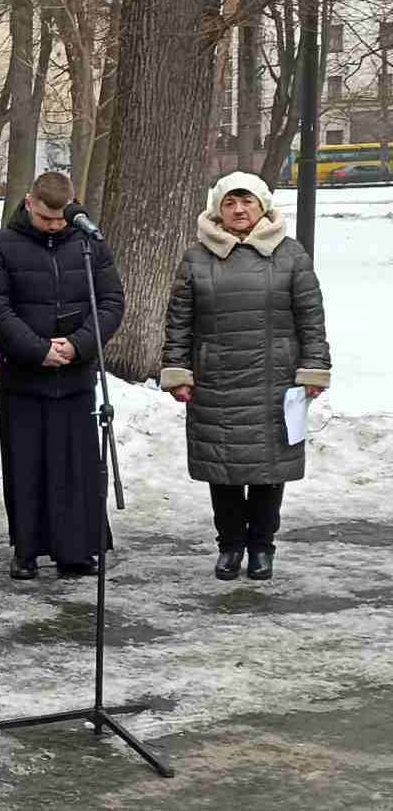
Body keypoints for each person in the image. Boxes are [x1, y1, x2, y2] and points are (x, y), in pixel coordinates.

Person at [160, 172, 330, 581]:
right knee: (223, 468)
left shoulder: (290, 255)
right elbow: (179, 321)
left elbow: (311, 316)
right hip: (215, 379)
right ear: (218, 209)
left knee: (269, 469)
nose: (239, 210)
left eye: (247, 202)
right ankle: (230, 545)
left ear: (263, 207)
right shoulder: (196, 257)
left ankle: (262, 547)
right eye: (230, 203)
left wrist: (315, 369)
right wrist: (178, 370)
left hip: (275, 380)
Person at [0, 172, 124, 580]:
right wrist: (37, 349)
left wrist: (78, 345)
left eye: (60, 219)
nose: (54, 226)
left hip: (75, 376)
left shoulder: (88, 244)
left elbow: (111, 301)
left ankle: (76, 548)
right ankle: (26, 549)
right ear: (29, 203)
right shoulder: (1, 246)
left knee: (76, 466)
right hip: (24, 376)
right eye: (46, 219)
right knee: (26, 467)